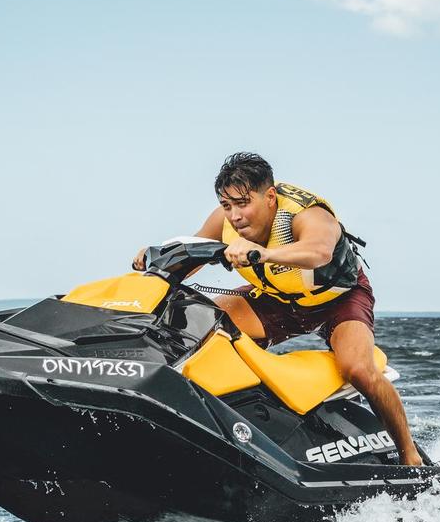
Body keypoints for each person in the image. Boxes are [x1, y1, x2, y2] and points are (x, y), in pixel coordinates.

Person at [134, 152, 423, 466]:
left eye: (243, 203)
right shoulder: (223, 220)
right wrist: (157, 264)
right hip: (279, 299)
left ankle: (410, 456)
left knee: (358, 369)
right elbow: (191, 256)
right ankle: (243, 428)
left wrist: (264, 252)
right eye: (227, 205)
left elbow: (319, 252)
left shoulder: (305, 213)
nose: (235, 216)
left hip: (338, 298)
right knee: (203, 326)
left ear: (269, 196)